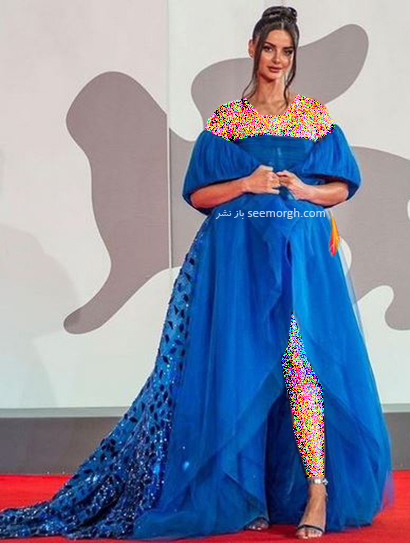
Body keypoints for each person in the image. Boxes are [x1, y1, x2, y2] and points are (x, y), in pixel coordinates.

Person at [0, 5, 394, 541]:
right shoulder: (227, 121)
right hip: (239, 264)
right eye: (270, 48)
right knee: (243, 370)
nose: (278, 59)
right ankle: (245, 496)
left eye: (287, 51)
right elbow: (200, 195)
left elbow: (341, 186)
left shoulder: (314, 117)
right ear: (253, 48)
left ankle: (318, 491)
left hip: (302, 262)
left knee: (301, 365)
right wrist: (247, 184)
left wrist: (304, 189)